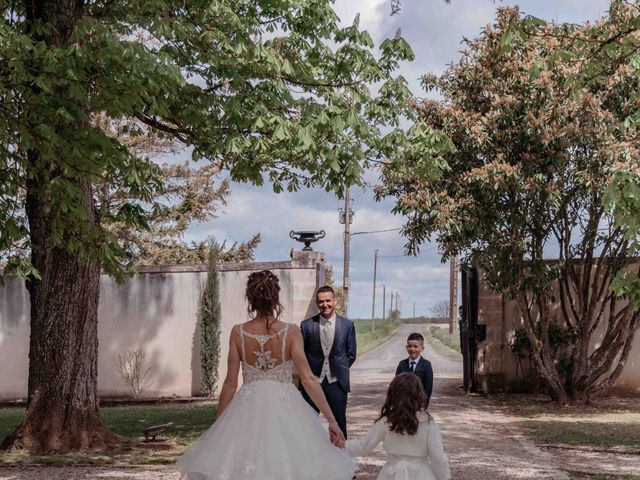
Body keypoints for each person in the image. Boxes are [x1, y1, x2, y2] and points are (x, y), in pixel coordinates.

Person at [177, 270, 355, 480]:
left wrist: (219, 424)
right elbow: (308, 379)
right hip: (286, 407)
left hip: (247, 406)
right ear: (275, 298)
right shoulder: (290, 332)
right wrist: (332, 420)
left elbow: (231, 383)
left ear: (250, 298)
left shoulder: (238, 332)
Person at [338, 373, 450, 480]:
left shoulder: (386, 421)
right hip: (421, 474)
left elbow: (364, 445)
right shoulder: (427, 422)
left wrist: (343, 444)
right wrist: (445, 477)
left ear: (393, 395)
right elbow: (438, 456)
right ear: (419, 395)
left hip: (391, 473)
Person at [300, 285, 357, 438]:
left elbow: (351, 354)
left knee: (339, 423)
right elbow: (301, 354)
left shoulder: (347, 325)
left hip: (337, 383)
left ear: (334, 301)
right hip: (312, 384)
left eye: (328, 301)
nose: (325, 305)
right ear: (317, 303)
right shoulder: (306, 326)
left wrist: (338, 370)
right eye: (321, 302)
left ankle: (341, 456)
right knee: (307, 423)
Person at [395, 332, 434, 406]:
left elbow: (428, 389)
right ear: (406, 347)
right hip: (402, 407)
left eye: (415, 346)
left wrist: (422, 407)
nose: (412, 349)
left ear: (422, 348)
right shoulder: (402, 364)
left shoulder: (426, 365)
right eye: (410, 346)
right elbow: (396, 387)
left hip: (419, 406)